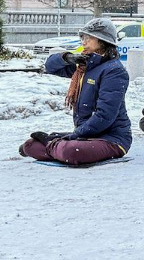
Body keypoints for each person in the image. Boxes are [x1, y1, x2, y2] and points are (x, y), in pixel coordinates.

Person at [19, 18, 131, 165]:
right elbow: (50, 67)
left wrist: (73, 136)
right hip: (85, 135)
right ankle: (57, 147)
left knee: (72, 151)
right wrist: (67, 58)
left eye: (89, 38)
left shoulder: (114, 71)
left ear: (102, 41)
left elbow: (105, 116)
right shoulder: (84, 66)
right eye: (83, 37)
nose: (83, 42)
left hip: (111, 139)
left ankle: (55, 147)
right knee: (29, 145)